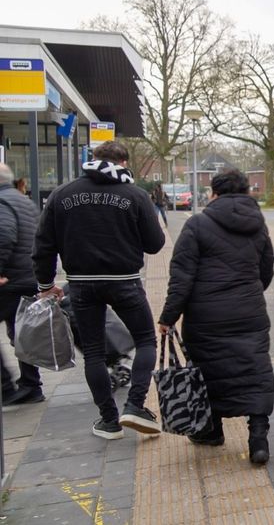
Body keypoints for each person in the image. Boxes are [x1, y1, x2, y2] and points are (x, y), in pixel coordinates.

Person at [33, 141, 165, 440]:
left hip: (81, 284)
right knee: (146, 341)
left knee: (93, 351)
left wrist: (45, 285)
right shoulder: (134, 195)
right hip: (125, 281)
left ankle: (108, 420)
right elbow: (155, 244)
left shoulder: (62, 194)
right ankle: (134, 405)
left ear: (92, 160)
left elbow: (43, 246)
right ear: (124, 162)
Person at [159, 168, 274, 465]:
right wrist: (247, 293)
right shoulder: (257, 224)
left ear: (214, 193)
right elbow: (266, 270)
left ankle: (212, 432)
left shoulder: (197, 224)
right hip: (249, 312)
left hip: (206, 316)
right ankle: (258, 438)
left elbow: (181, 277)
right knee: (256, 370)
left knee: (207, 371)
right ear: (246, 191)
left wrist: (168, 316)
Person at [0, 164, 44, 406]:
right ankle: (30, 385)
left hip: (11, 279)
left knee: (19, 333)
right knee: (20, 333)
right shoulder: (22, 200)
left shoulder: (2, 202)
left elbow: (4, 234)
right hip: (28, 276)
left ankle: (6, 387)